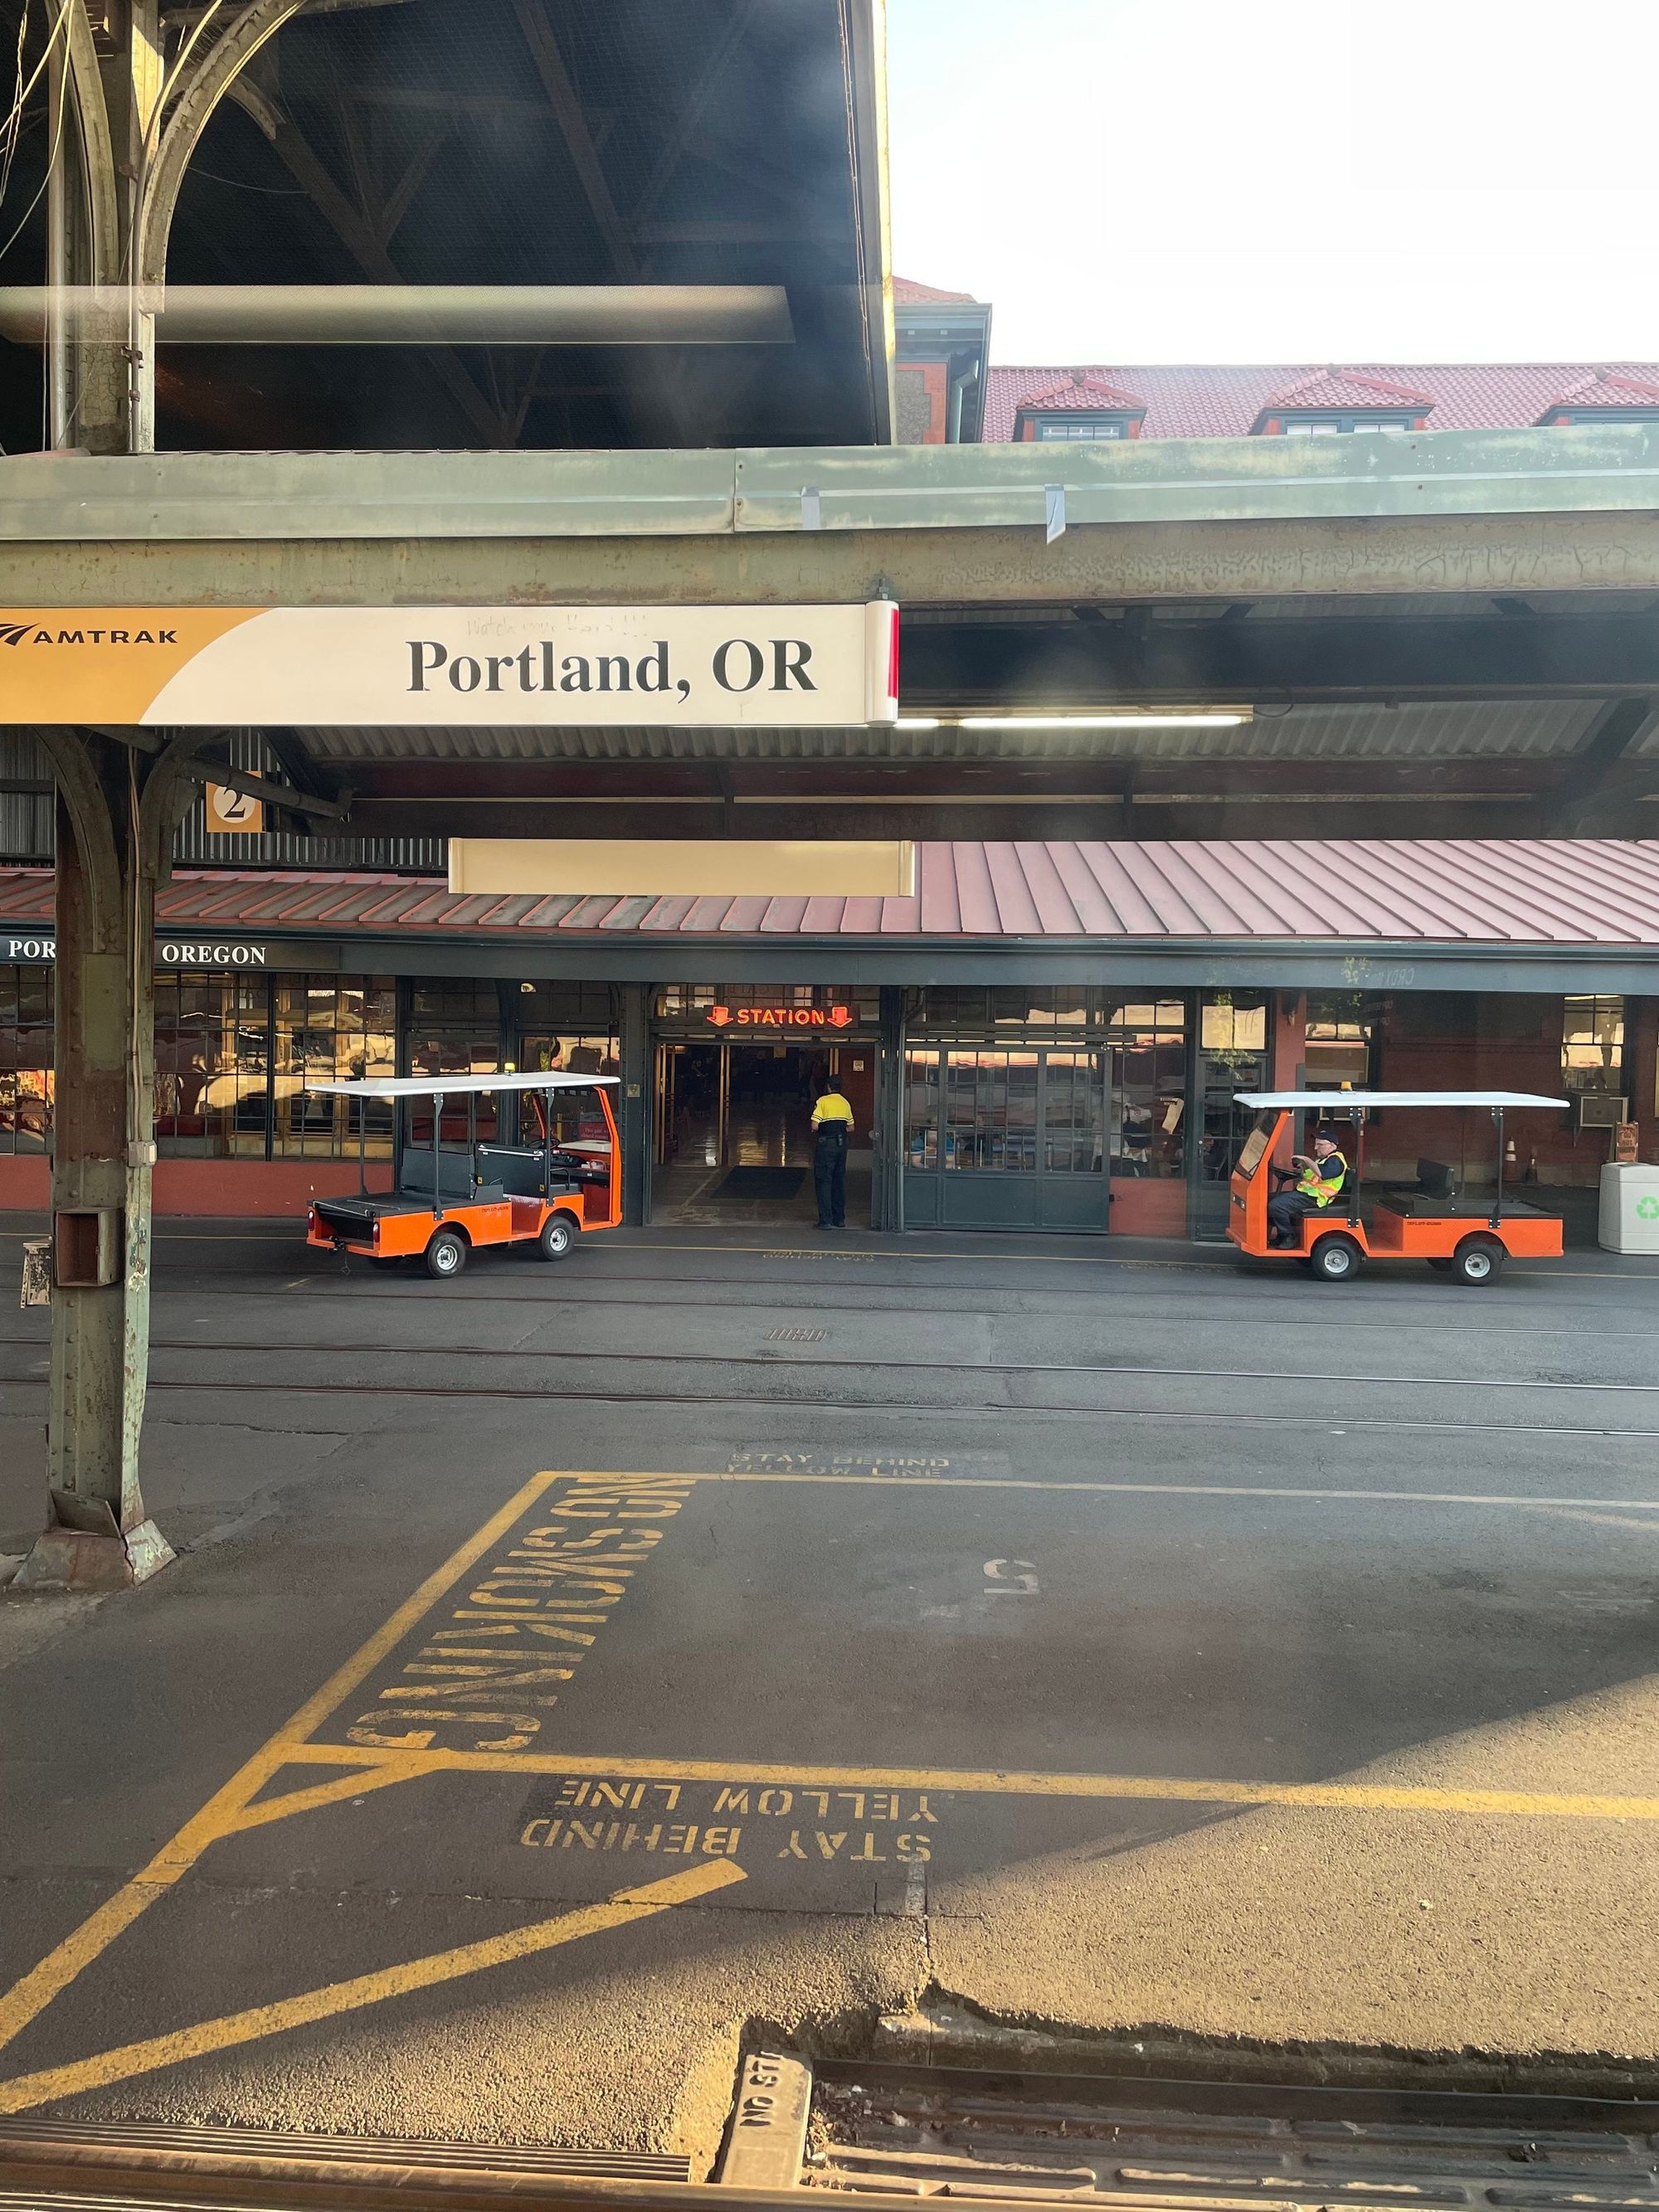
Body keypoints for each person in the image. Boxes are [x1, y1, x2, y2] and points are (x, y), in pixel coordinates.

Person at [1267, 1129, 1349, 1246]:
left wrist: (1306, 1159)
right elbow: (1312, 1176)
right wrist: (1302, 1169)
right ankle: (1282, 1234)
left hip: (1318, 1198)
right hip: (1307, 1194)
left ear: (1332, 1145)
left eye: (1320, 1144)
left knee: (1276, 1205)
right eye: (1316, 1144)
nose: (1316, 1148)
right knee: (1268, 1199)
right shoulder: (1324, 1159)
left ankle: (1290, 1235)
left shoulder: (1336, 1160)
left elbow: (1322, 1174)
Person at [810, 1077, 855, 1229]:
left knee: (824, 1180)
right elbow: (851, 1128)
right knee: (838, 1181)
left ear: (828, 1087)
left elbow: (815, 1125)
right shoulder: (845, 1103)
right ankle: (839, 1219)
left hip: (826, 1146)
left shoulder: (822, 1101)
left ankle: (826, 1220)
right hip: (841, 1145)